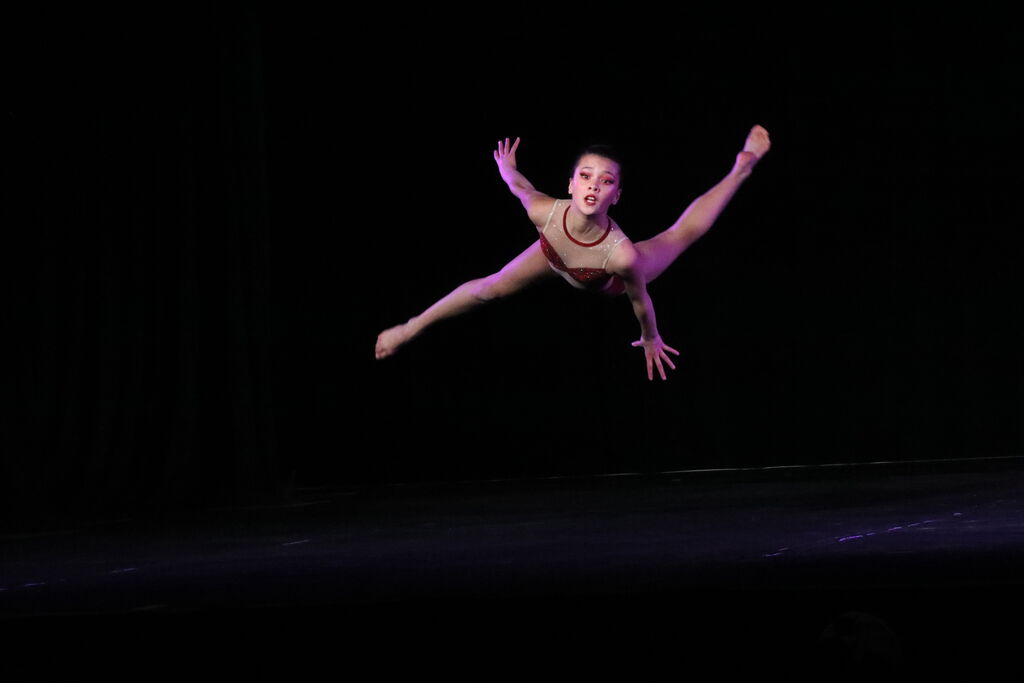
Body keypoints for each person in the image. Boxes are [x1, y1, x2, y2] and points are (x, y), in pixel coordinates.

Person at [375, 125, 770, 380]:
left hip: (604, 279)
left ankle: (741, 168)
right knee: (488, 288)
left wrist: (650, 336)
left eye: (606, 180)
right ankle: (409, 328)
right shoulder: (543, 212)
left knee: (681, 234)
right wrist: (506, 167)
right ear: (570, 184)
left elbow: (640, 300)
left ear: (616, 196)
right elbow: (521, 187)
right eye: (585, 176)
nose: (593, 185)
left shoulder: (623, 256)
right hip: (553, 252)